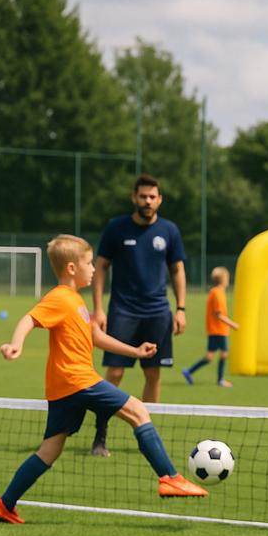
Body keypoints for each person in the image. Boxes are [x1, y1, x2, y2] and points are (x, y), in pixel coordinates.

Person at [0, 235, 206, 525]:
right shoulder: (59, 298)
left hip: (64, 387)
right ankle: (169, 477)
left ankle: (4, 504)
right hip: (78, 380)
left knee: (50, 450)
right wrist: (15, 344)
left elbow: (96, 337)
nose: (94, 269)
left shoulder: (76, 301)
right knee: (138, 411)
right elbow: (30, 318)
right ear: (71, 268)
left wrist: (135, 351)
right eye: (89, 263)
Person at [90, 173, 187, 456]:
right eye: (143, 196)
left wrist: (180, 308)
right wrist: (98, 308)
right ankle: (100, 435)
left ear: (160, 199)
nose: (147, 201)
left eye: (152, 196)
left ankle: (146, 436)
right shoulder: (116, 228)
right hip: (123, 310)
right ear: (134, 197)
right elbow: (100, 267)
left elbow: (177, 270)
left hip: (158, 311)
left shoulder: (169, 230)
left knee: (153, 373)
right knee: (116, 372)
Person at [182, 267, 240, 388]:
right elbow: (219, 314)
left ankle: (189, 371)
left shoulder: (216, 292)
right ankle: (220, 380)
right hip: (219, 330)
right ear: (223, 279)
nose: (228, 280)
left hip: (215, 330)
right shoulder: (217, 293)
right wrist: (232, 324)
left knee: (209, 357)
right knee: (224, 354)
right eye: (227, 278)